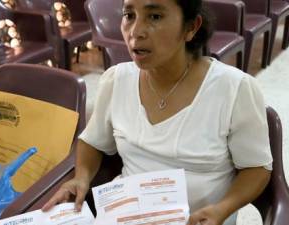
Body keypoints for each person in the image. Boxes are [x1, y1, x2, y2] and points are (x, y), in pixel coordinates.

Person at [42, 0, 272, 224]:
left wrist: (222, 209)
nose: (136, 31)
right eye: (129, 15)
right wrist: (81, 177)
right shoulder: (116, 80)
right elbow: (93, 141)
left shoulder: (234, 89)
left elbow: (257, 168)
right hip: (128, 214)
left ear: (191, 27)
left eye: (154, 16)